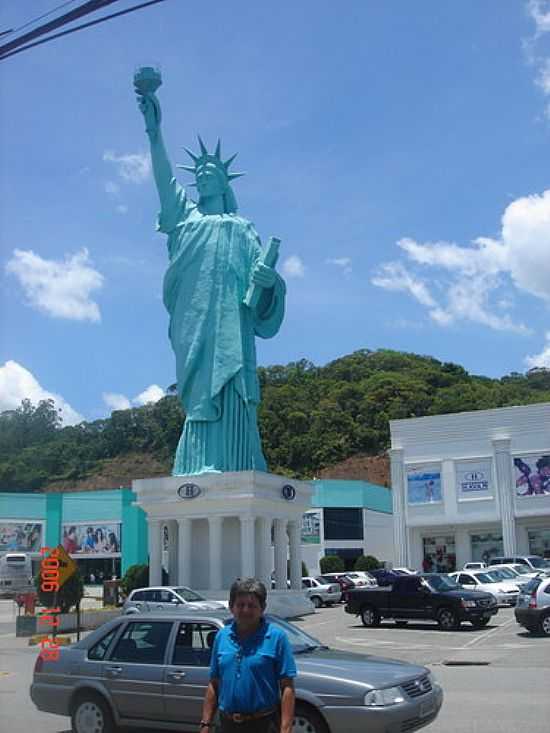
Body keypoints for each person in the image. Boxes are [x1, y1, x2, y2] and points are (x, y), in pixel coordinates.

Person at [135, 73, 286, 476]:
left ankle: (237, 460)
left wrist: (271, 286)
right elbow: (164, 179)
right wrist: (154, 131)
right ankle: (197, 460)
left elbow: (263, 282)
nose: (202, 175)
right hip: (193, 323)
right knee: (199, 391)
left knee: (233, 388)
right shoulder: (183, 220)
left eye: (210, 172)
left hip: (232, 329)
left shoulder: (241, 228)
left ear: (223, 181)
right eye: (197, 172)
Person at [201, 578, 296, 733]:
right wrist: (206, 723)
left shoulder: (277, 637)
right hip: (226, 724)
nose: (245, 610)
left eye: (252, 605)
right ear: (231, 607)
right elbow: (214, 683)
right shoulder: (222, 636)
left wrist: (286, 728)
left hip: (263, 724)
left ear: (262, 608)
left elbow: (287, 687)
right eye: (240, 605)